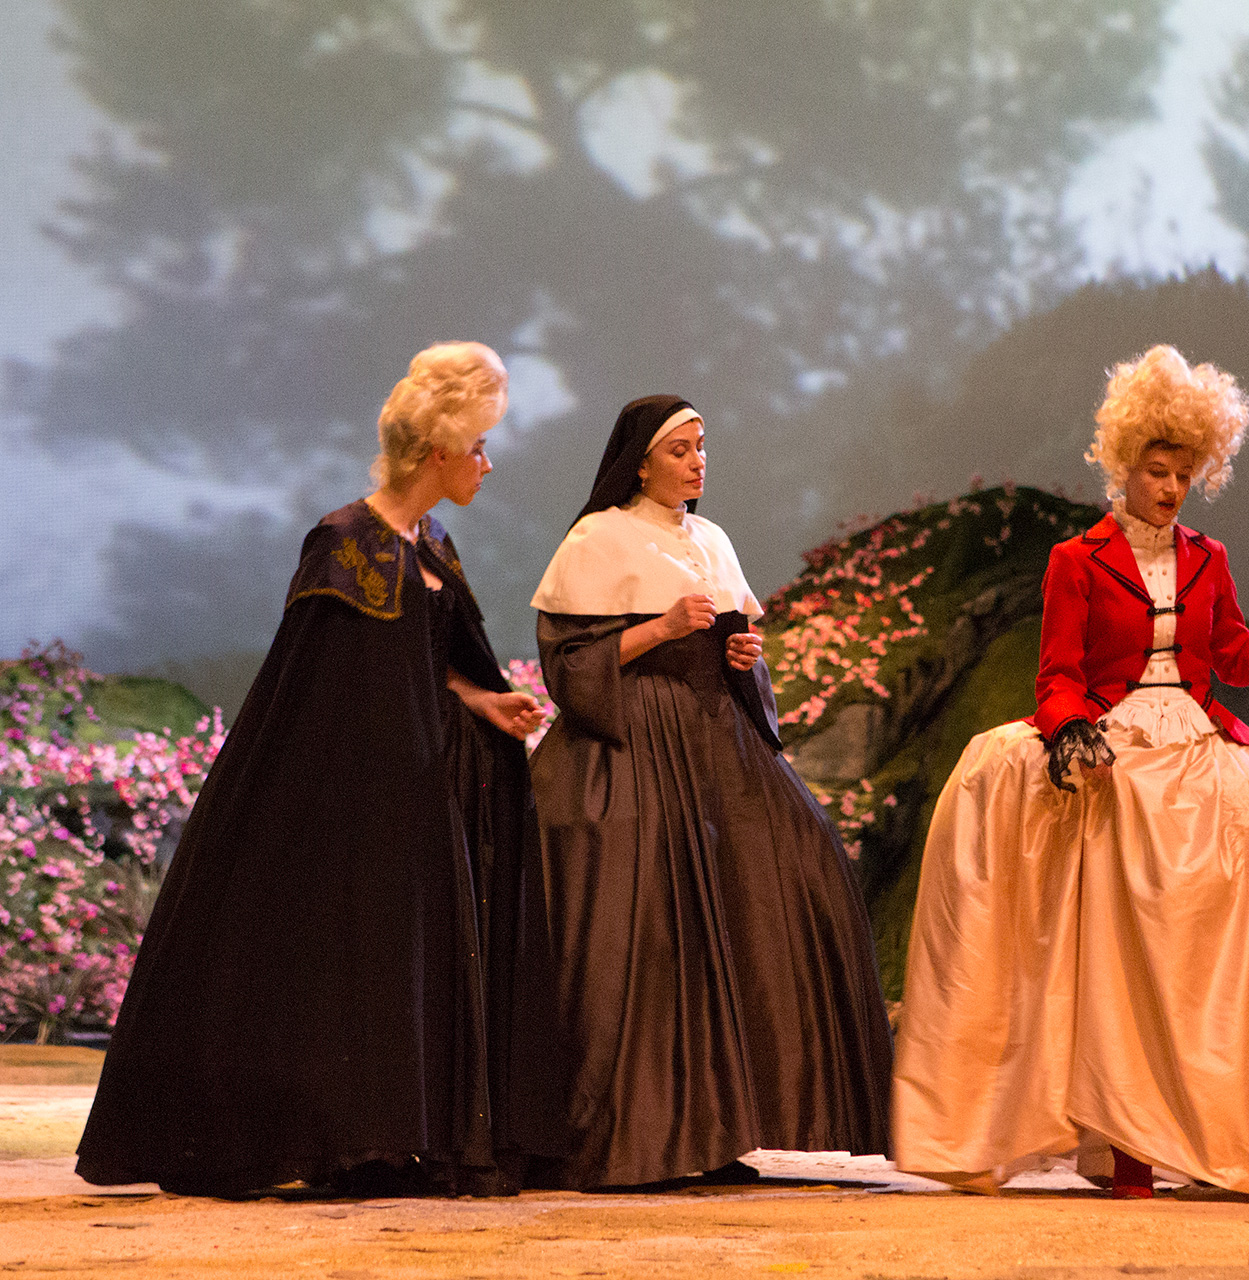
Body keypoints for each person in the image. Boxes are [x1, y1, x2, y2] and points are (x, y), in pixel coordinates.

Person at [77, 342, 569, 1197]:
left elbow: (427, 654)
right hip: (352, 799)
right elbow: (322, 684)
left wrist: (482, 700)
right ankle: (342, 1138)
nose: (488, 464)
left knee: (399, 965)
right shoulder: (346, 541)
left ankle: (393, 1137)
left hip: (415, 793)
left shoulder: (432, 542)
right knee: (347, 963)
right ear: (438, 452)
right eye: (480, 447)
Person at [892, 345, 1249, 1201]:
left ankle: (1197, 1120)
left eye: (1184, 475)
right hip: (1115, 740)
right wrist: (1072, 730)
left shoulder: (1208, 557)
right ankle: (1117, 1144)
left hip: (1191, 733)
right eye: (1157, 472)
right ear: (1124, 467)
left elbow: (1230, 655)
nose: (1169, 488)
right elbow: (1057, 675)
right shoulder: (1077, 561)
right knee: (1104, 914)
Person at [526, 395, 893, 1190]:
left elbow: (739, 655)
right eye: (681, 450)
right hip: (636, 742)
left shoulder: (712, 540)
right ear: (640, 461)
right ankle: (647, 1134)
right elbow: (568, 664)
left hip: (717, 744)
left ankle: (728, 1125)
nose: (698, 463)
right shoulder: (598, 537)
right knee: (650, 925)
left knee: (786, 882)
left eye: (702, 448)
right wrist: (659, 629)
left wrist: (745, 656)